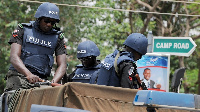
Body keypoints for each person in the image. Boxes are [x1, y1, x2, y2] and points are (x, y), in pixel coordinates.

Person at [4, 2, 67, 91]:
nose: (49, 24)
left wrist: (53, 83)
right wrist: (28, 74)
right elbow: (14, 57)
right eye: (46, 21)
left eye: (52, 22)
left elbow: (62, 65)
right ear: (39, 18)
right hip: (19, 76)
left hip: (42, 81)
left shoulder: (58, 37)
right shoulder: (23, 29)